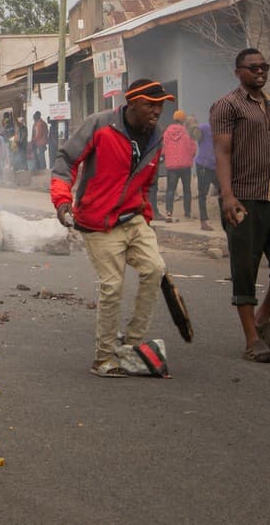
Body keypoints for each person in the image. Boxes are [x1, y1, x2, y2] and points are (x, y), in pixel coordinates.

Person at [51, 78, 171, 378]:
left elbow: (148, 182)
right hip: (97, 221)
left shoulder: (157, 136)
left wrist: (146, 215)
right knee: (112, 286)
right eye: (150, 105)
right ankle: (103, 357)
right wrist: (63, 201)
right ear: (131, 103)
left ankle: (131, 344)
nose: (157, 111)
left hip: (134, 218)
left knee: (155, 269)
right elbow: (66, 161)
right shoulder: (100, 125)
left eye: (160, 105)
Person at [210, 48, 270, 365]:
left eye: (264, 66)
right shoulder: (227, 105)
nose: (260, 71)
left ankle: (263, 318)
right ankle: (252, 340)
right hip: (243, 196)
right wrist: (227, 195)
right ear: (238, 72)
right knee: (245, 268)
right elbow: (222, 152)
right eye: (253, 67)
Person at [161, 110, 198, 222]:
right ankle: (187, 213)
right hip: (185, 165)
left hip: (171, 166)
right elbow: (193, 148)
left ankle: (169, 213)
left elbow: (163, 149)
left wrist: (167, 157)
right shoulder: (187, 132)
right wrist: (189, 157)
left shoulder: (167, 133)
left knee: (170, 190)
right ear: (183, 120)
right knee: (187, 190)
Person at [192, 116, 217, 231]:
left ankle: (228, 218)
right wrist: (193, 127)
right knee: (202, 194)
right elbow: (194, 135)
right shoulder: (205, 127)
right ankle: (203, 222)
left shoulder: (224, 130)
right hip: (203, 166)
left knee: (224, 191)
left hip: (217, 166)